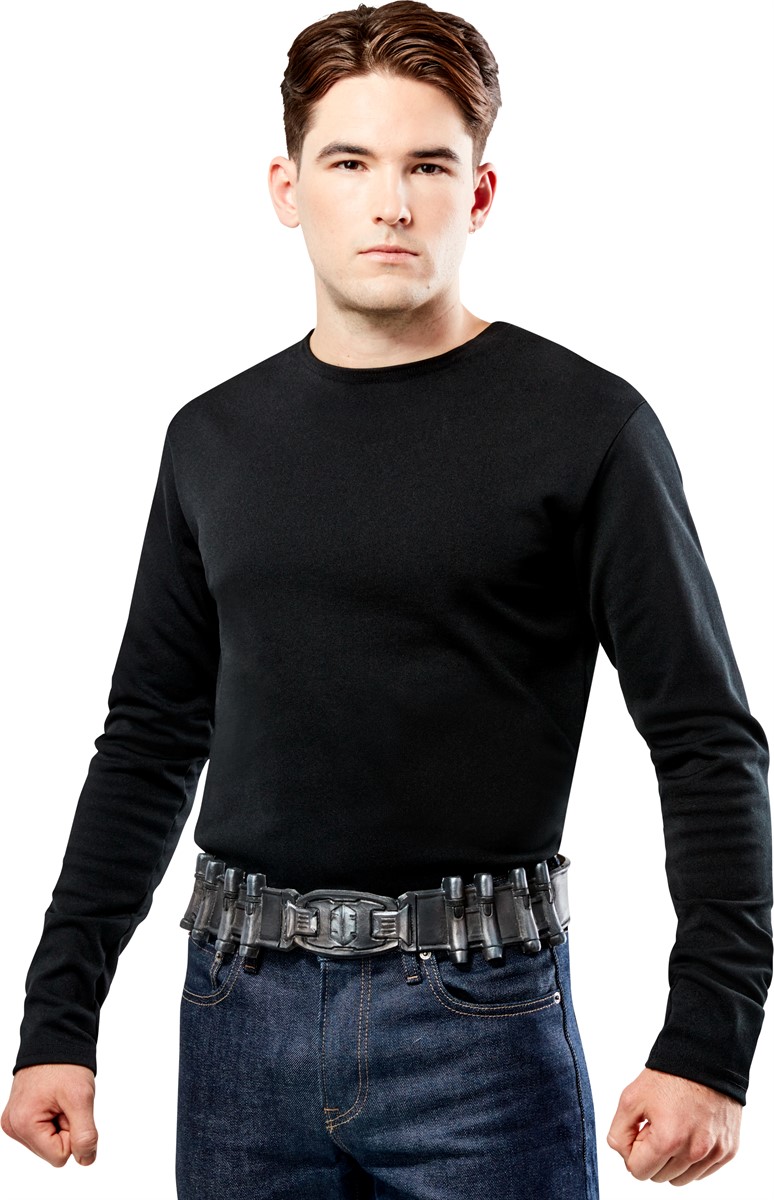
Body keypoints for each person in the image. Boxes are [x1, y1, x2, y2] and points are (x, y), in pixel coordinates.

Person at [2, 2, 771, 1196]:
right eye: (351, 163)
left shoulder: (588, 429)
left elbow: (705, 740)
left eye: (429, 166)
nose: (392, 203)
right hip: (236, 1021)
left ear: (481, 191)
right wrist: (59, 1017)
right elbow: (149, 737)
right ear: (287, 187)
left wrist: (709, 1047)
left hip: (481, 1030)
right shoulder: (212, 439)